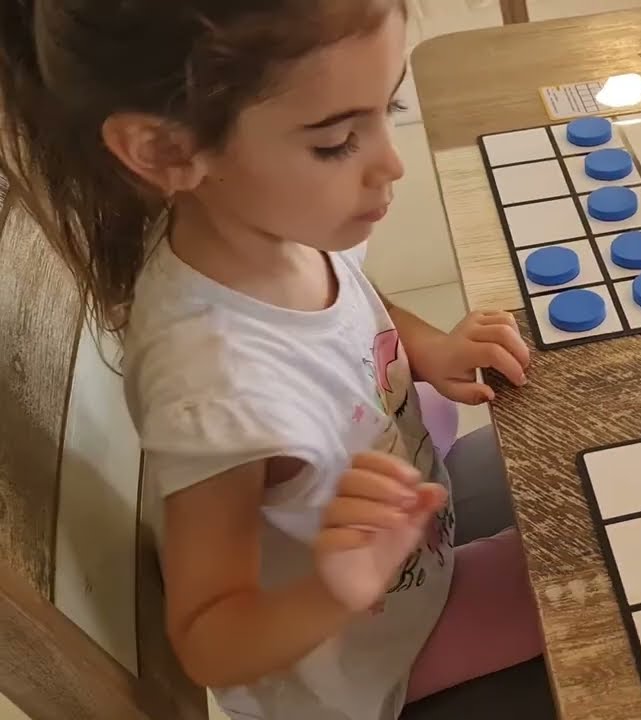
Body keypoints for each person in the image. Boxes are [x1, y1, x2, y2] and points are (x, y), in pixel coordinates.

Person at [0, 2, 549, 719]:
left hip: (411, 545)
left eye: (391, 106)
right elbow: (208, 640)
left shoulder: (278, 221)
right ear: (166, 151)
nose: (392, 163)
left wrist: (430, 348)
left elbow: (357, 296)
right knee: (607, 575)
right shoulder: (218, 394)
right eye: (337, 142)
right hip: (366, 656)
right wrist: (338, 586)